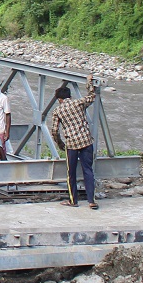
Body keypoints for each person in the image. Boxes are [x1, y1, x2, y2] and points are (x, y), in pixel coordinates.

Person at [50, 78, 100, 209]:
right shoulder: (78, 103)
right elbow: (92, 96)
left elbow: (54, 131)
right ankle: (92, 201)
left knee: (70, 173)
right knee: (88, 171)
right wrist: (89, 83)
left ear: (59, 99)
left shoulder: (57, 111)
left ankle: (73, 200)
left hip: (71, 144)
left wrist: (60, 143)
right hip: (86, 141)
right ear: (69, 96)